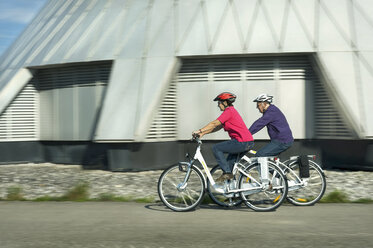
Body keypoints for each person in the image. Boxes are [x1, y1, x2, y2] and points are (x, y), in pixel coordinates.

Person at [193, 92, 254, 182]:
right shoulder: (231, 111)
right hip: (246, 142)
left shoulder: (229, 111)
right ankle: (233, 191)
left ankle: (227, 173)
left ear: (225, 102)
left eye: (219, 103)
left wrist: (199, 130)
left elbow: (214, 123)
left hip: (242, 142)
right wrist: (203, 134)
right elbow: (217, 127)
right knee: (229, 166)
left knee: (216, 148)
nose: (218, 105)